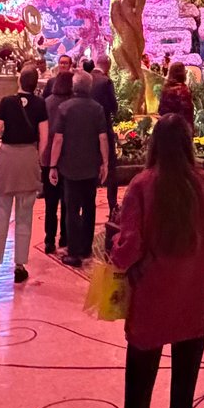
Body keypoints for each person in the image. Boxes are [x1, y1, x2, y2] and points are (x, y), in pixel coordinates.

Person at [112, 114, 204, 408]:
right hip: (193, 311)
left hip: (150, 312)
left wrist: (112, 248)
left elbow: (126, 251)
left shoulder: (143, 187)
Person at [0, 67, 50, 285]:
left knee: (0, 213)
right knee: (25, 215)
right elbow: (44, 137)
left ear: (19, 81)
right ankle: (19, 265)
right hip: (28, 159)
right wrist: (38, 159)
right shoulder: (40, 104)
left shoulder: (6, 102)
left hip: (7, 158)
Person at [54, 65, 113, 265]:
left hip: (70, 167)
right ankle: (87, 247)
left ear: (74, 86)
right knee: (89, 207)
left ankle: (73, 251)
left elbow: (58, 140)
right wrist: (105, 163)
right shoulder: (97, 109)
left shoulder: (65, 108)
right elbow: (103, 138)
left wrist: (53, 165)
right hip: (91, 166)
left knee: (71, 209)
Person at [83, 55, 121, 219]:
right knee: (111, 168)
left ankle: (86, 205)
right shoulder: (106, 82)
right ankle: (112, 205)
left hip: (87, 131)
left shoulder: (85, 79)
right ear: (109, 66)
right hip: (104, 129)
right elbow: (113, 107)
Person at [41, 69, 74, 254]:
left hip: (47, 159)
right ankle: (64, 237)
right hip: (66, 159)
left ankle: (48, 240)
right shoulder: (71, 104)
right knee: (67, 201)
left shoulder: (47, 103)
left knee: (50, 203)